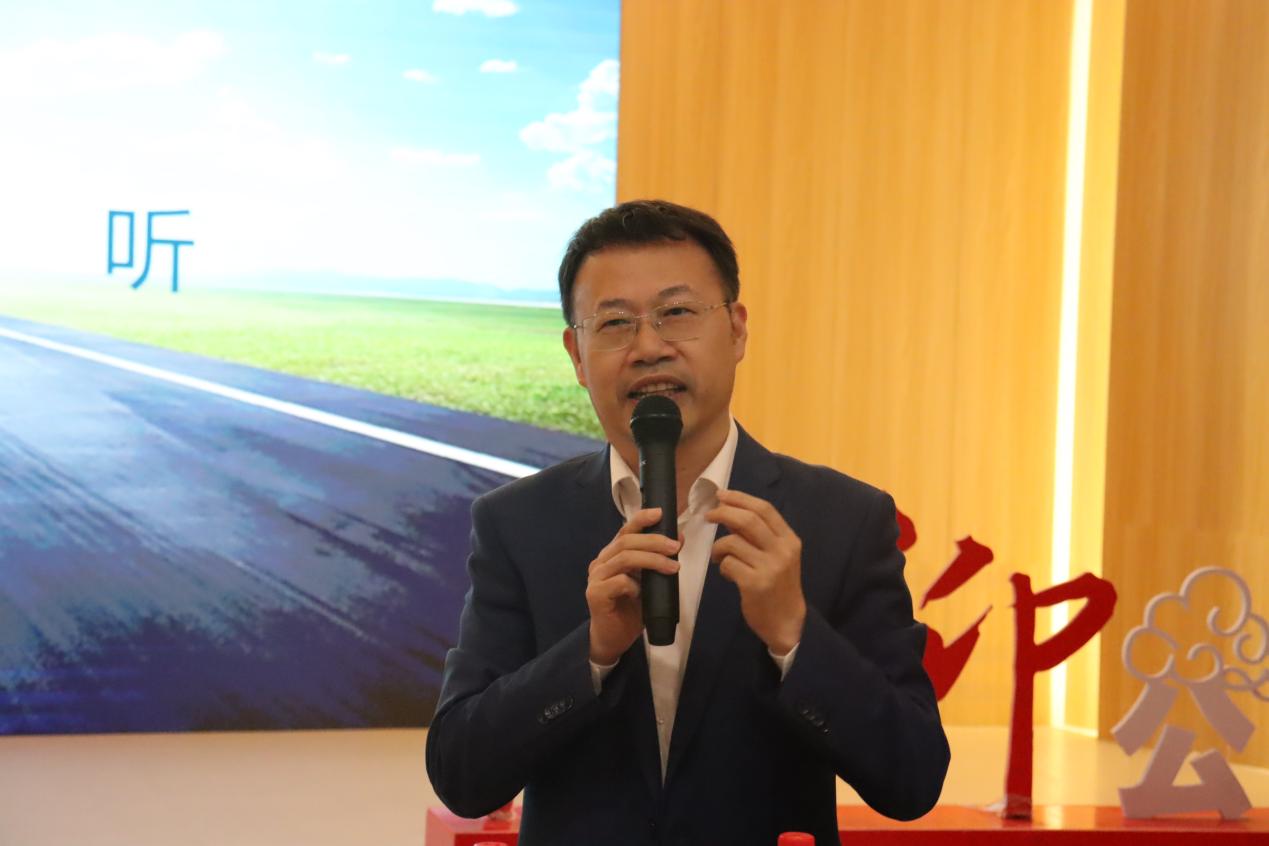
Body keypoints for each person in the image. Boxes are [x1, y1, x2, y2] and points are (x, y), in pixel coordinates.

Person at [426, 200, 949, 844]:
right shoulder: (518, 523)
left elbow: (913, 779)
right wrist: (591, 653)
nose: (649, 347)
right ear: (577, 355)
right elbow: (461, 774)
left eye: (676, 313)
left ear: (736, 330)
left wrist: (794, 634)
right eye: (615, 323)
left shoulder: (843, 520)